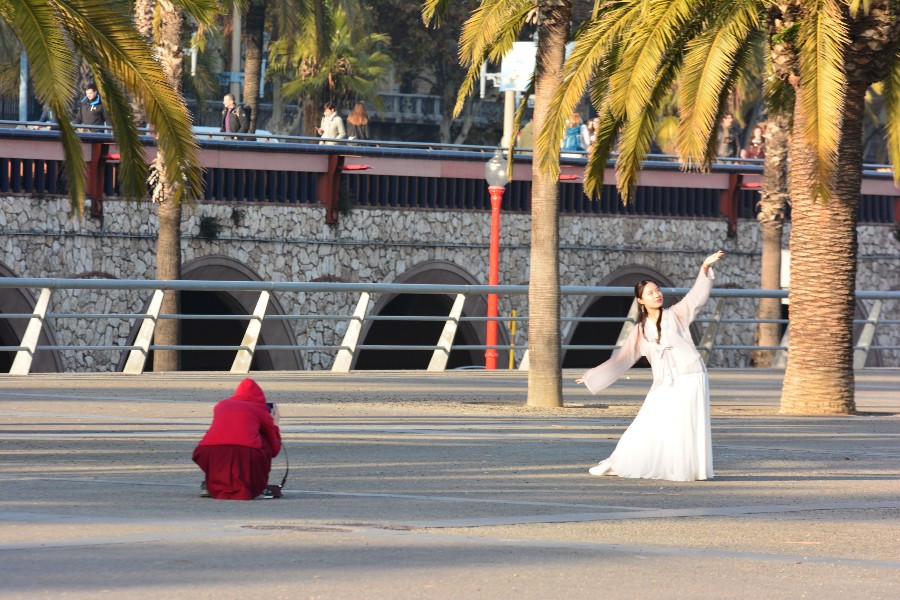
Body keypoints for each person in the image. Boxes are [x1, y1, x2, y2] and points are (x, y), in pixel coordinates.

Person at [576, 250, 725, 482]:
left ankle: (684, 469)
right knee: (647, 422)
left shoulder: (676, 314)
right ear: (640, 300)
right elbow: (621, 360)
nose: (657, 295)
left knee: (683, 425)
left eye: (658, 290)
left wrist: (704, 268)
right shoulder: (639, 331)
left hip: (691, 375)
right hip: (664, 382)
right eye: (650, 293)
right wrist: (592, 376)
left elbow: (697, 297)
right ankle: (617, 462)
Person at [192, 378, 282, 500]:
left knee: (225, 448)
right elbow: (274, 450)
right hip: (244, 453)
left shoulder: (221, 405)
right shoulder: (260, 408)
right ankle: (254, 486)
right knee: (262, 442)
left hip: (207, 452)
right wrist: (274, 423)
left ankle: (214, 483)